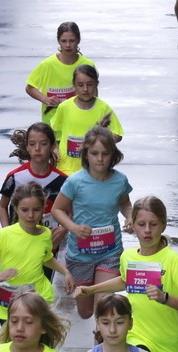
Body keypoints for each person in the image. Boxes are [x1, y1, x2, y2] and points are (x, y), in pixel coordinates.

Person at [74, 196, 178, 352]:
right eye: (141, 224)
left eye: (153, 224)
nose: (147, 230)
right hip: (135, 338)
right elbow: (125, 281)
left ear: (163, 225)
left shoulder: (174, 261)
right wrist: (92, 290)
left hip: (166, 348)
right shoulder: (128, 257)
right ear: (132, 225)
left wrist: (165, 298)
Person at [49, 126, 132, 320]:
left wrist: (130, 216)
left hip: (110, 251)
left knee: (104, 307)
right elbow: (57, 209)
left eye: (105, 154)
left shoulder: (120, 181)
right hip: (81, 254)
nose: (100, 159)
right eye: (95, 153)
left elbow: (125, 203)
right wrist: (73, 228)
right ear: (86, 154)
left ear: (113, 155)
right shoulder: (75, 181)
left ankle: (101, 347)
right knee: (86, 311)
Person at [0, 182, 74, 323]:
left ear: (43, 209)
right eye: (24, 210)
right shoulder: (2, 236)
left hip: (40, 297)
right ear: (15, 209)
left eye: (36, 209)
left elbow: (46, 258)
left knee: (39, 340)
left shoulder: (46, 234)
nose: (30, 215)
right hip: (11, 301)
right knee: (12, 342)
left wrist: (66, 272)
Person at [0, 123, 68, 275]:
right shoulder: (15, 177)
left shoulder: (63, 180)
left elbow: (72, 211)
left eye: (43, 144)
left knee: (44, 292)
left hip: (48, 247)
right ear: (27, 147)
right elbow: (3, 206)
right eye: (32, 144)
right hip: (18, 245)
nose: (37, 148)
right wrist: (6, 232)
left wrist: (63, 229)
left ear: (52, 147)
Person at [51, 64, 123, 175]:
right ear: (74, 85)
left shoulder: (103, 108)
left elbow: (118, 134)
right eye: (80, 85)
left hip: (92, 169)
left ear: (96, 85)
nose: (85, 89)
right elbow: (52, 131)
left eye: (90, 84)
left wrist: (99, 141)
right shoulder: (64, 107)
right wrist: (54, 148)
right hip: (66, 168)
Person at [24, 21, 93, 121]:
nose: (68, 45)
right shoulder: (47, 65)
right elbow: (30, 88)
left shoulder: (87, 65)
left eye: (72, 41)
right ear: (58, 41)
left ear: (78, 40)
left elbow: (94, 94)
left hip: (77, 122)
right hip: (51, 125)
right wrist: (45, 99)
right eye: (64, 41)